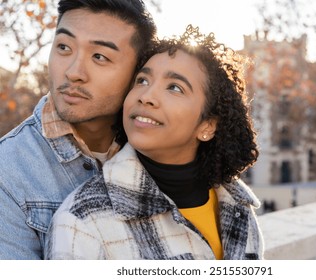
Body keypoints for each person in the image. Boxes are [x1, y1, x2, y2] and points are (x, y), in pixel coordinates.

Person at [45, 25, 264, 260]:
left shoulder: (237, 205)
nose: (146, 96)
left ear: (207, 126)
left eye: (174, 87)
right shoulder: (83, 222)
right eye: (142, 80)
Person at [0, 0, 156, 260]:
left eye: (99, 56)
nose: (73, 72)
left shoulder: (160, 147)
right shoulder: (8, 170)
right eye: (64, 47)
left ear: (138, 72)